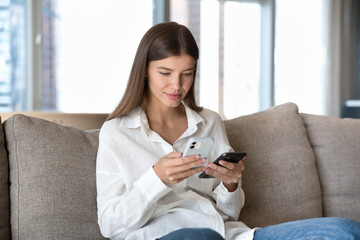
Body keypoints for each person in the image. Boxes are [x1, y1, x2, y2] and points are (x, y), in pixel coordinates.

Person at [96, 22, 360, 240]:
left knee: (344, 231)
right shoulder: (117, 132)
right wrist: (156, 178)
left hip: (229, 235)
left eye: (186, 74)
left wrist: (230, 184)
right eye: (165, 73)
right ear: (144, 71)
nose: (177, 85)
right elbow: (109, 225)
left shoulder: (208, 122)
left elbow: (229, 214)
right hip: (164, 235)